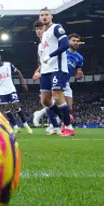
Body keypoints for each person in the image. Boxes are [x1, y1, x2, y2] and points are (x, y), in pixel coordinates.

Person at [35, 7, 72, 136]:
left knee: (57, 95)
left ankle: (68, 127)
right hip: (46, 71)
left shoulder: (57, 28)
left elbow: (65, 45)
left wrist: (50, 56)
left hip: (57, 68)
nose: (44, 17)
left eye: (46, 14)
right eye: (42, 15)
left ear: (51, 16)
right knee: (45, 100)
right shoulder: (44, 34)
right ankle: (65, 118)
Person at [0, 52, 31, 134]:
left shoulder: (8, 65)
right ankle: (15, 126)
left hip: (11, 89)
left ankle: (26, 125)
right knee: (6, 109)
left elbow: (18, 72)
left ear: (0, 57)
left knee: (16, 105)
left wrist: (23, 82)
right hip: (2, 91)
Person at [31, 20, 61, 133]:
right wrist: (38, 71)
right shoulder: (40, 46)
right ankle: (55, 125)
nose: (38, 31)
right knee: (47, 100)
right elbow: (43, 62)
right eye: (36, 29)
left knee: (57, 100)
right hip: (47, 72)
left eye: (41, 28)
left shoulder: (52, 40)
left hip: (57, 71)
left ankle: (60, 122)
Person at [61, 33, 84, 137]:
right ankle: (61, 125)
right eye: (73, 40)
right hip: (56, 79)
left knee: (69, 108)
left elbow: (77, 73)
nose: (76, 42)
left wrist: (78, 76)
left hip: (66, 82)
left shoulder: (79, 58)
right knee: (51, 103)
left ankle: (64, 124)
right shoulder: (62, 51)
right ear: (68, 41)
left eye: (77, 41)